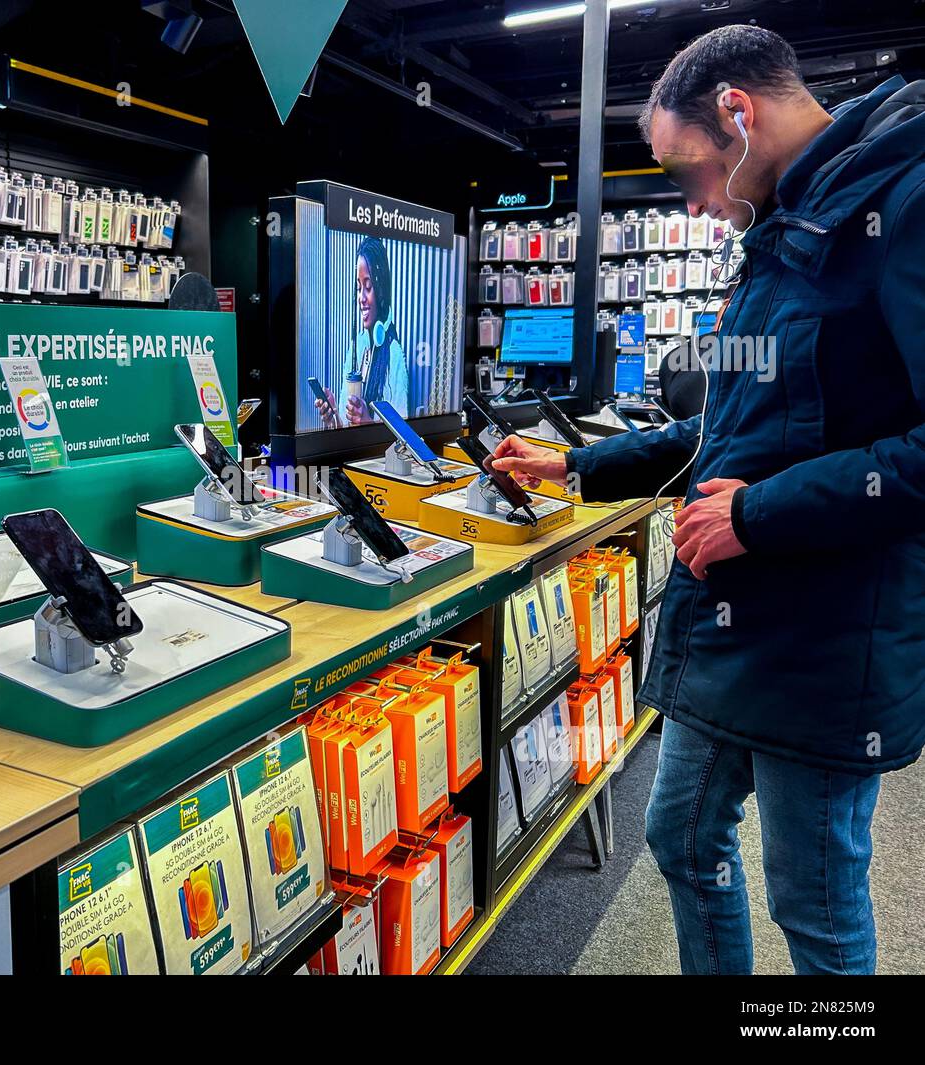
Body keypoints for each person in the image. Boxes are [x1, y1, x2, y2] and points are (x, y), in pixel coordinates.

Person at [491, 24, 925, 975]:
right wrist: (577, 467)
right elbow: (727, 431)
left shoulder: (902, 199)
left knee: (811, 902)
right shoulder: (780, 228)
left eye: (686, 169)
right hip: (731, 632)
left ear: (738, 110)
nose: (690, 200)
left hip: (826, 643)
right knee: (681, 841)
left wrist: (757, 514)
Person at [315, 236, 409, 427]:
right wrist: (333, 417)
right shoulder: (356, 348)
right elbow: (345, 431)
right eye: (359, 288)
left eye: (368, 287)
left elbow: (403, 443)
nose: (361, 298)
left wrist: (367, 422)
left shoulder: (394, 354)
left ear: (381, 291)